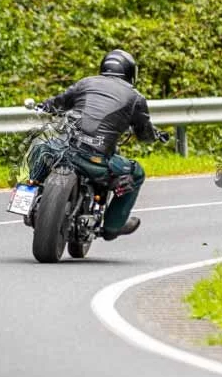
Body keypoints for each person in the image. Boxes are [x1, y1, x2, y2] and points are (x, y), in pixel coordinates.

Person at [27, 49, 166, 241]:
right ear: (131, 73)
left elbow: (58, 103)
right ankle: (112, 226)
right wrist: (154, 136)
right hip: (96, 160)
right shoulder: (135, 97)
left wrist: (44, 106)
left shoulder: (86, 83)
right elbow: (144, 134)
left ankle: (26, 196)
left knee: (41, 150)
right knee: (136, 173)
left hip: (63, 148)